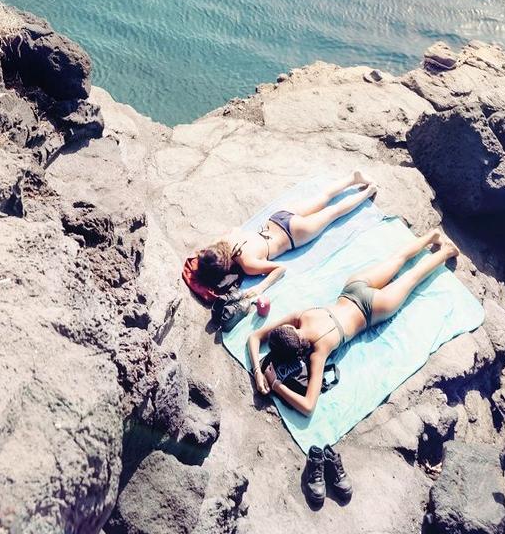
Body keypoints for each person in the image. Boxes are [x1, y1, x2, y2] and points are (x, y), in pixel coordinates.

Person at [246, 228, 460, 420]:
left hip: (374, 309)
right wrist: (258, 371)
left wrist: (272, 381)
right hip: (353, 289)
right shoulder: (302, 316)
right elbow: (255, 337)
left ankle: (446, 252)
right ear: (290, 329)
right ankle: (430, 236)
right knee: (398, 258)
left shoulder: (319, 352)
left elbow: (308, 406)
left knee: (412, 278)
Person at [186, 174, 377, 299]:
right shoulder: (227, 240)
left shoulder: (248, 264)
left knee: (334, 212)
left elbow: (280, 268)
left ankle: (368, 191)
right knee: (323, 196)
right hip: (277, 218)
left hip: (294, 234)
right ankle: (354, 177)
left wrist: (260, 288)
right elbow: (233, 229)